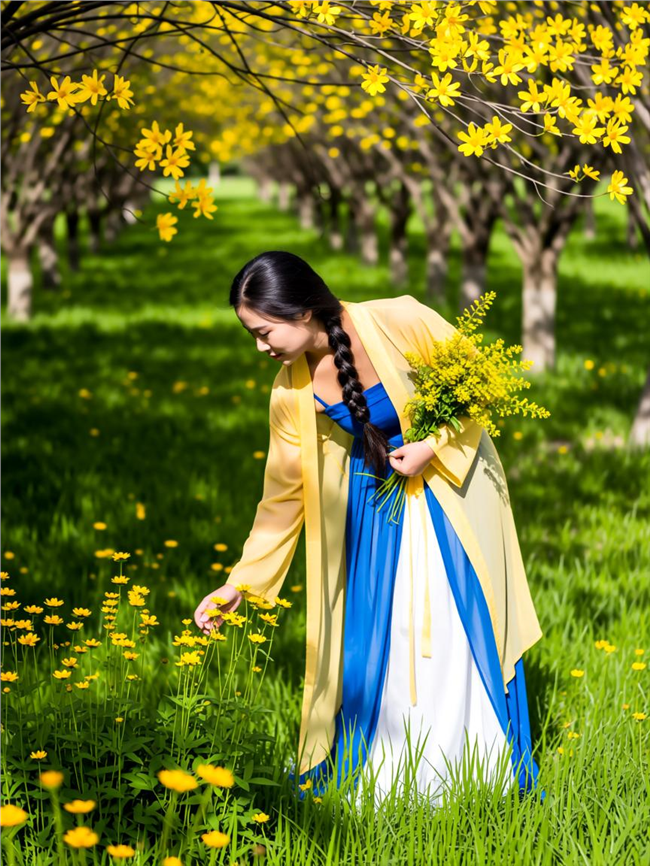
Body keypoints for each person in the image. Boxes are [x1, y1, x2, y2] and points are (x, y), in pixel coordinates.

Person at [194, 250, 545, 808]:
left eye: (264, 332)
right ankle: (385, 775)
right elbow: (283, 495)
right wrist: (241, 582)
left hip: (446, 495)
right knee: (385, 633)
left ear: (303, 312)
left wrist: (433, 445)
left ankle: (477, 768)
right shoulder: (289, 391)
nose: (259, 347)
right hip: (372, 510)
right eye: (252, 335)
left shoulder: (398, 317)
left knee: (455, 624)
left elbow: (482, 380)